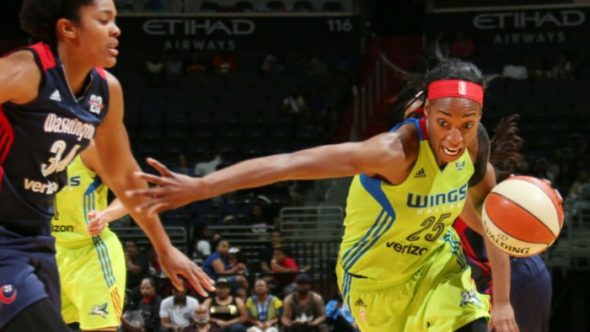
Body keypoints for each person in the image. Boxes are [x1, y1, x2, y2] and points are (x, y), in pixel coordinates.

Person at [127, 58, 518, 331]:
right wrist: (201, 186)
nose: (454, 137)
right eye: (444, 122)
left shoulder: (474, 147)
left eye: (467, 124)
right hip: (373, 282)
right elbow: (291, 163)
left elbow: (492, 221)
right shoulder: (393, 152)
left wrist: (502, 299)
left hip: (436, 267)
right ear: (427, 111)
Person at [0, 1, 213, 330]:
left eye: (115, 19)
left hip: (39, 239)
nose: (116, 29)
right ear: (68, 29)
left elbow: (125, 178)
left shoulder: (106, 90)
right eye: (104, 20)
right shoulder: (24, 71)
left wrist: (164, 248)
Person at [454, 115, 552, 332]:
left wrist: (501, 302)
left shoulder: (460, 186)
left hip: (513, 276)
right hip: (489, 279)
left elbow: (493, 232)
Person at [51, 141, 128, 331]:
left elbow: (129, 194)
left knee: (100, 328)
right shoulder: (24, 148)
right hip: (49, 253)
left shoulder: (88, 148)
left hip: (92, 253)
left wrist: (106, 215)